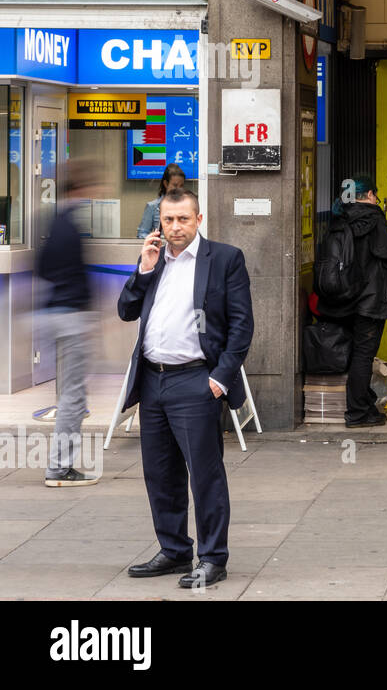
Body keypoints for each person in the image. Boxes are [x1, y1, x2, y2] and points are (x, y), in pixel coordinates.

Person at [118, 188, 253, 589]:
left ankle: (213, 557)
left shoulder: (225, 259)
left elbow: (241, 325)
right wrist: (143, 269)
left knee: (205, 475)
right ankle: (174, 550)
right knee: (160, 474)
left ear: (199, 219)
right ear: (159, 221)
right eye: (168, 220)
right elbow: (126, 310)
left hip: (196, 380)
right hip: (153, 380)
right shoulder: (153, 260)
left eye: (183, 219)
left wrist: (219, 379)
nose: (175, 227)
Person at [316, 174, 387, 428]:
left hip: (341, 299)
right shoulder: (373, 217)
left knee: (353, 354)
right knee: (363, 356)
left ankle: (364, 403)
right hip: (369, 301)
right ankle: (357, 412)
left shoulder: (337, 218)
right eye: (375, 195)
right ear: (369, 196)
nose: (376, 199)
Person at [35, 159, 99, 487]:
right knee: (73, 396)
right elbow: (78, 274)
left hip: (53, 313)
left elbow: (42, 268)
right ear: (80, 189)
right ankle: (60, 468)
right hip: (71, 317)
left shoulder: (53, 220)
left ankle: (60, 465)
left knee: (71, 392)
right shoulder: (71, 226)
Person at [136, 164, 186, 239]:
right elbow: (141, 234)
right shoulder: (153, 206)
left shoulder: (186, 206)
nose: (178, 189)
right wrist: (157, 239)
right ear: (166, 184)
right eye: (175, 185)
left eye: (181, 186)